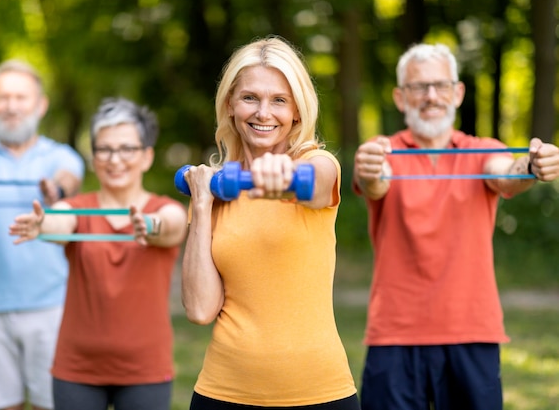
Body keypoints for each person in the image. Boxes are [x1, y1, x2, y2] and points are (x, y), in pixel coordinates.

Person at [353, 42, 559, 410]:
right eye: (418, 87)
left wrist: (531, 166)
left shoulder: (481, 149)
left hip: (472, 330)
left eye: (441, 85)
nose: (431, 96)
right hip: (395, 333)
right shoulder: (383, 150)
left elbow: (507, 174)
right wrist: (370, 169)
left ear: (458, 93)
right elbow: (375, 181)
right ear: (401, 98)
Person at [181, 36, 360, 410]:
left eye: (279, 100)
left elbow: (317, 182)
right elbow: (200, 310)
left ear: (297, 110)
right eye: (250, 98)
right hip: (223, 393)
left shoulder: (319, 165)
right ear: (230, 104)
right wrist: (200, 207)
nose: (264, 113)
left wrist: (285, 177)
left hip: (320, 394)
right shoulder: (215, 191)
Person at [9, 97, 188, 410]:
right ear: (93, 157)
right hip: (76, 370)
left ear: (146, 157)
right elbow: (61, 219)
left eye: (127, 149)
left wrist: (147, 224)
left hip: (145, 370)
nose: (114, 159)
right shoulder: (80, 208)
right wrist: (43, 223)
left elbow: (172, 226)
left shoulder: (165, 209)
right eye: (104, 149)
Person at [0, 60, 85, 410]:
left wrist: (56, 190)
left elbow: (68, 177)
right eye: (2, 97)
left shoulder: (60, 156)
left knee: (51, 404)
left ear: (40, 105)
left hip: (52, 306)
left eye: (20, 97)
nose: (10, 106)